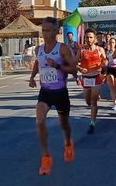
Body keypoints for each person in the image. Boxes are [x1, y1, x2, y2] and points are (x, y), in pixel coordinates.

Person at [29, 17, 76, 175]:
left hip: (60, 92)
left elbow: (73, 70)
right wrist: (32, 77)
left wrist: (56, 65)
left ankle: (68, 143)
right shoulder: (39, 49)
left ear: (57, 31)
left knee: (64, 124)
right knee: (39, 121)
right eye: (43, 30)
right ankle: (46, 157)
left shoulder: (62, 49)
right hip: (45, 92)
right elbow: (38, 62)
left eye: (49, 30)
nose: (45, 33)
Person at [76, 28, 108, 134]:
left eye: (91, 37)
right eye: (87, 37)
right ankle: (94, 100)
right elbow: (74, 63)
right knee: (88, 101)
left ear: (94, 39)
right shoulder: (81, 50)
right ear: (84, 38)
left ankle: (92, 123)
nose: (88, 39)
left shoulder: (99, 50)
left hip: (96, 77)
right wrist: (80, 69)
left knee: (93, 102)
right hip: (86, 78)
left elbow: (105, 60)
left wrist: (104, 63)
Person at [106, 38, 116, 110]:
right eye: (110, 42)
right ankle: (115, 103)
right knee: (111, 87)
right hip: (110, 69)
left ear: (115, 43)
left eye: (113, 42)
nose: (111, 44)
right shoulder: (106, 52)